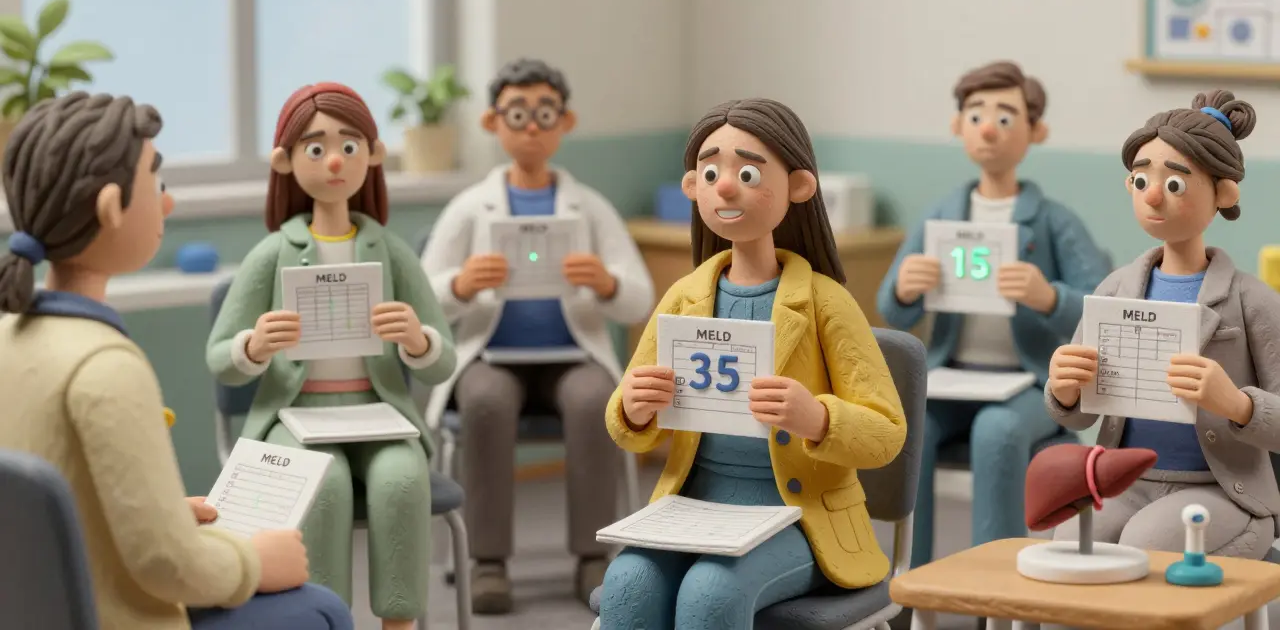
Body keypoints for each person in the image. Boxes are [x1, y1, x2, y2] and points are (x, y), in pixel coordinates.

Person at [0, 92, 352, 630]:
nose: (167, 205)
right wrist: (255, 563)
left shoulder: (10, 336)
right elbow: (165, 565)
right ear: (112, 207)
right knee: (322, 609)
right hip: (117, 615)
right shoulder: (105, 367)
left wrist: (158, 513)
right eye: (156, 184)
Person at [599, 98, 907, 629]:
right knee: (628, 582)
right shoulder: (683, 296)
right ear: (692, 186)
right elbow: (626, 428)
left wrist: (818, 417)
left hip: (800, 516)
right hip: (693, 508)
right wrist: (634, 407)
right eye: (710, 171)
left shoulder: (824, 301)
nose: (725, 187)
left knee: (712, 590)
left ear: (799, 186)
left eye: (746, 172)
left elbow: (886, 432)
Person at [206, 82, 456, 629]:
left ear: (373, 153)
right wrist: (253, 344)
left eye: (348, 145)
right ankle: (324, 619)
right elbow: (220, 357)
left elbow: (443, 361)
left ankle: (400, 622)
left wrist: (417, 339)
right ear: (285, 161)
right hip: (293, 417)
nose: (335, 162)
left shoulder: (388, 250)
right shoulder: (272, 254)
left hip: (379, 412)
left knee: (402, 479)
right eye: (315, 149)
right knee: (324, 483)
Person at [422, 58, 654, 612]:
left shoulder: (591, 208)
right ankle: (488, 560)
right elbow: (421, 296)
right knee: (483, 403)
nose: (531, 126)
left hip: (573, 356)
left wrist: (604, 282)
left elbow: (639, 297)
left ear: (564, 122)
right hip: (491, 355)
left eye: (544, 113)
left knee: (596, 400)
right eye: (518, 113)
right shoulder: (468, 209)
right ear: (491, 122)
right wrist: (459, 282)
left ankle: (593, 557)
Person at [875, 61, 1111, 573]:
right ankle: (908, 576)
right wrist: (905, 285)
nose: (988, 128)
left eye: (1006, 117)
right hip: (951, 380)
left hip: (1030, 383)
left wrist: (1048, 296)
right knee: (908, 428)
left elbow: (1099, 305)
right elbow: (891, 308)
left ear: (1035, 131)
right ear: (958, 126)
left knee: (997, 432)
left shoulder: (1052, 221)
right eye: (976, 114)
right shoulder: (942, 214)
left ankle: (996, 584)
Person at [1046, 90, 1280, 557]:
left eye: (1175, 183)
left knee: (1147, 545)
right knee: (1070, 542)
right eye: (1140, 179)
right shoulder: (1114, 290)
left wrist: (1237, 404)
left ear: (1224, 192)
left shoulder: (1252, 300)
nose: (1153, 193)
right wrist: (1065, 389)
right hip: (1123, 477)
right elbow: (1079, 413)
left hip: (1222, 490)